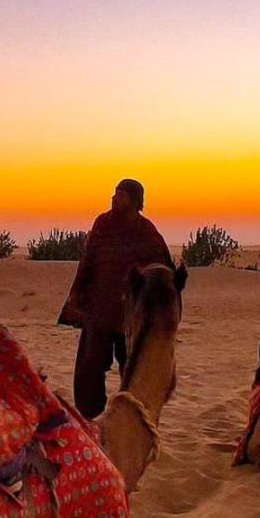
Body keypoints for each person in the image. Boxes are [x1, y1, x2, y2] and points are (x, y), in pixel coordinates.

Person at [59, 179, 172, 418]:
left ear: (133, 200)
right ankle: (89, 417)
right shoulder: (102, 224)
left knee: (132, 370)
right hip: (99, 311)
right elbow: (88, 261)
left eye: (120, 195)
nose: (113, 198)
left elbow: (163, 270)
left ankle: (129, 419)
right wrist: (77, 296)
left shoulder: (146, 232)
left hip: (130, 317)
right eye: (115, 194)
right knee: (89, 369)